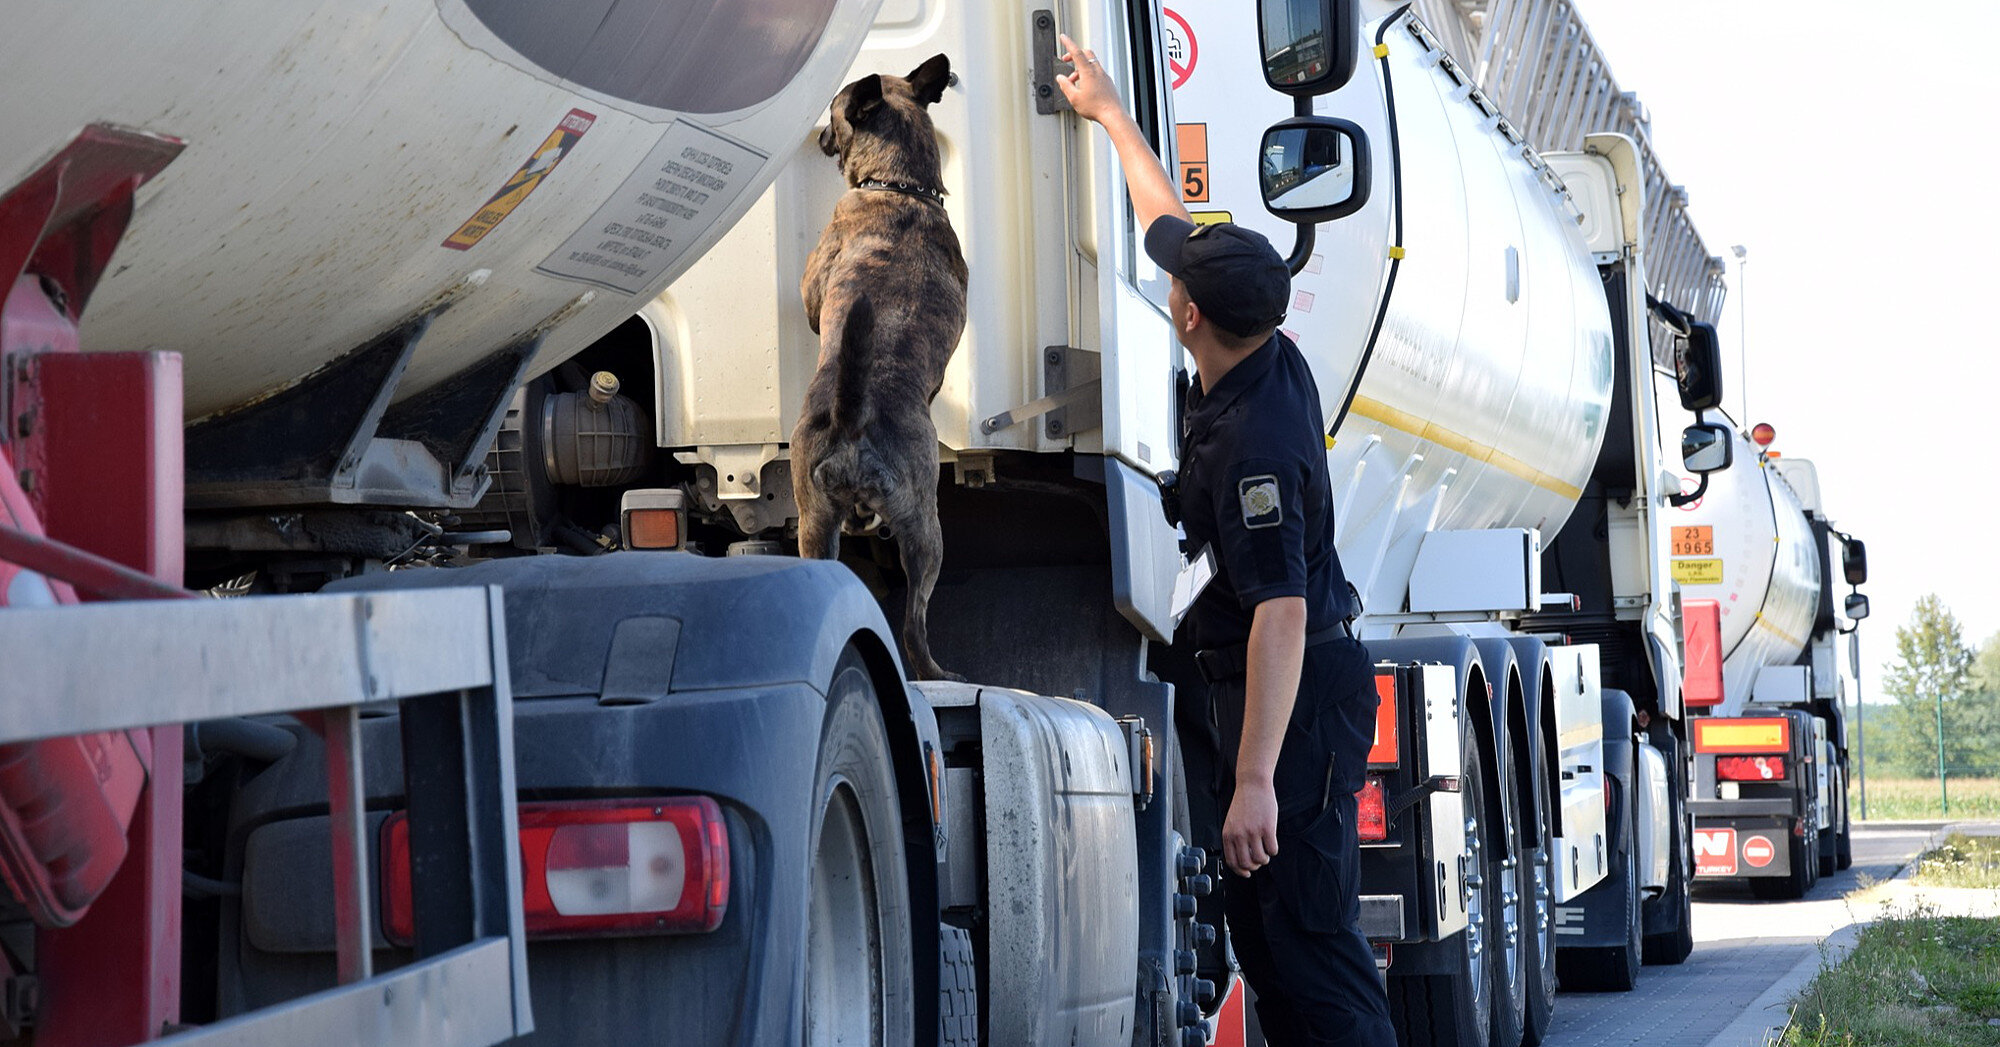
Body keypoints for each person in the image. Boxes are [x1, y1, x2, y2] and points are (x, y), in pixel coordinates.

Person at [1057, 34, 1396, 1047]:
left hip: (1289, 708)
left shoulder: (1254, 446)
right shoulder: (1259, 349)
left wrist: (1254, 783)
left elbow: (1279, 616)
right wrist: (1112, 115)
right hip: (1261, 699)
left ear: (1187, 314)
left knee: (1306, 948)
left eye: (1177, 283)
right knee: (1269, 943)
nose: (1168, 281)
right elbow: (1168, 226)